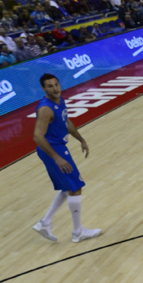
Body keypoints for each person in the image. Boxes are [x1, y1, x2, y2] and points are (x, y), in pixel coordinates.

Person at [31, 73, 102, 243]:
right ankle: (78, 232)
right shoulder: (46, 108)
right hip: (53, 150)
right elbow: (37, 137)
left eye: (56, 84)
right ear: (43, 88)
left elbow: (65, 121)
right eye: (50, 86)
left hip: (58, 148)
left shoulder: (59, 101)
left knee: (66, 187)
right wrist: (56, 157)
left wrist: (80, 138)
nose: (55, 88)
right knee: (76, 186)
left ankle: (45, 223)